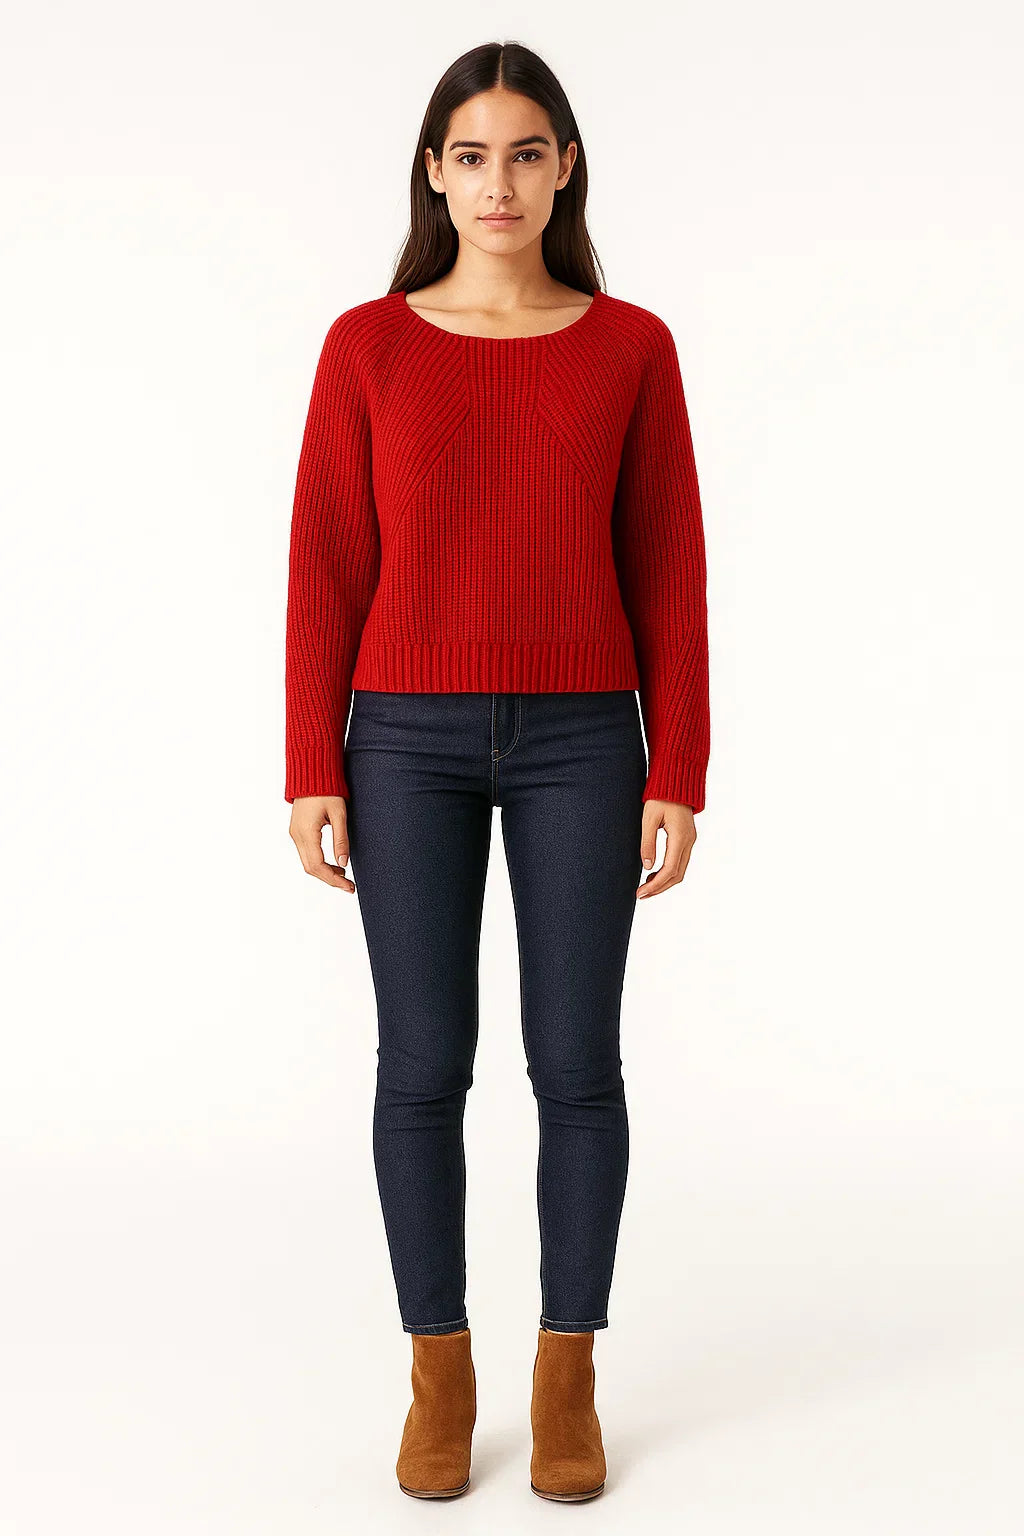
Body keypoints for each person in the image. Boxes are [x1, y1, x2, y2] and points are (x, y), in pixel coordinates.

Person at [283, 39, 710, 1503]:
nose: (499, 184)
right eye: (471, 156)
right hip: (401, 741)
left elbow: (669, 566)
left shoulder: (630, 347)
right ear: (433, 174)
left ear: (566, 167)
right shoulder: (369, 347)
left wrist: (678, 763)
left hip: (587, 739)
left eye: (526, 153)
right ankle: (441, 1372)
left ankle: (566, 1370)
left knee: (575, 1065)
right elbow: (326, 563)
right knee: (422, 1067)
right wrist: (311, 757)